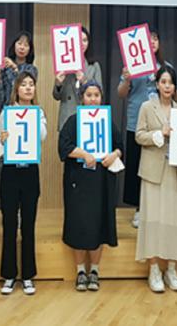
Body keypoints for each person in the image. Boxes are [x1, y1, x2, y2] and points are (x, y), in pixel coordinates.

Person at [58, 81, 123, 292]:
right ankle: (80, 271)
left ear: (101, 98)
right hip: (78, 181)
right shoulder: (73, 121)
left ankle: (94, 270)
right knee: (78, 223)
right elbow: (63, 147)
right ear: (82, 98)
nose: (93, 99)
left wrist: (114, 154)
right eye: (89, 95)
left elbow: (119, 146)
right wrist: (83, 153)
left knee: (99, 222)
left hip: (101, 181)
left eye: (96, 95)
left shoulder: (107, 121)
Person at [135, 66, 177, 293]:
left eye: (171, 82)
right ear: (157, 84)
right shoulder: (147, 107)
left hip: (175, 172)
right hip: (153, 171)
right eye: (164, 82)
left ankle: (172, 269)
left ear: (175, 87)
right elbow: (139, 135)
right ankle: (154, 269)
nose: (167, 86)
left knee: (174, 221)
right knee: (153, 220)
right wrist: (160, 134)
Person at [0, 71, 47, 295]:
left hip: (30, 173)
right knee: (8, 224)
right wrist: (2, 139)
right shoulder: (6, 112)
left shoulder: (39, 113)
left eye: (31, 84)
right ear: (16, 88)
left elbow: (42, 136)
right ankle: (8, 274)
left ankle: (27, 275)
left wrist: (32, 118)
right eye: (23, 84)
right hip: (10, 172)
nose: (27, 88)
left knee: (28, 224)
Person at [119, 29, 177, 228]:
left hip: (162, 124)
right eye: (148, 38)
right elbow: (121, 93)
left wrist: (165, 85)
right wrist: (127, 78)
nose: (152, 41)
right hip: (137, 122)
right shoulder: (131, 67)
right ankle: (139, 209)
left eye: (155, 38)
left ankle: (160, 208)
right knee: (136, 166)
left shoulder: (166, 67)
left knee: (160, 166)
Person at [53, 26, 102, 132]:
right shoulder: (63, 65)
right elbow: (56, 96)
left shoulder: (94, 66)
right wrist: (58, 84)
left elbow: (99, 94)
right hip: (67, 116)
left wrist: (85, 81)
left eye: (85, 40)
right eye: (79, 40)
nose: (82, 44)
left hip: (88, 116)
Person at [0, 31, 38, 114]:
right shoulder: (4, 69)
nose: (22, 47)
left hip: (26, 111)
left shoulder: (31, 69)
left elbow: (24, 90)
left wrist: (15, 68)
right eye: (19, 43)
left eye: (26, 45)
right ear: (14, 45)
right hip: (7, 111)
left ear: (30, 49)